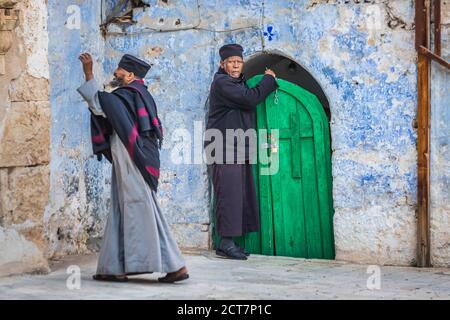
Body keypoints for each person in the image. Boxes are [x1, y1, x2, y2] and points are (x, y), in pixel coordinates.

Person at [77, 52, 188, 282]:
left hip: (131, 156)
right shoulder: (141, 94)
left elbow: (98, 105)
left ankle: (174, 265)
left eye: (119, 70)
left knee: (141, 207)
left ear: (130, 75)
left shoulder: (126, 95)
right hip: (134, 155)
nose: (116, 73)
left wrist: (88, 73)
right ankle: (114, 268)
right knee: (123, 205)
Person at [204, 44, 278, 260]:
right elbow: (250, 98)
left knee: (240, 194)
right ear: (222, 64)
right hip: (224, 148)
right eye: (231, 62)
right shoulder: (222, 83)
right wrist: (269, 80)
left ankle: (229, 242)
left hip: (237, 147)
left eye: (239, 62)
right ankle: (225, 242)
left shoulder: (237, 83)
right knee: (229, 194)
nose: (236, 65)